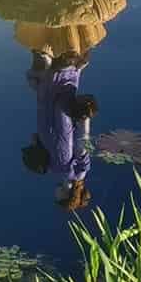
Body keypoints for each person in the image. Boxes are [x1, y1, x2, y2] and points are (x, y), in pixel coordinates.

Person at [22, 49, 97, 209]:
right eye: (58, 199)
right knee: (58, 81)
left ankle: (58, 59)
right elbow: (82, 145)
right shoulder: (78, 173)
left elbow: (40, 144)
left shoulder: (56, 170)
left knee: (40, 81)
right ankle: (72, 63)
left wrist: (36, 145)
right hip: (60, 119)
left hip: (48, 117)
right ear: (67, 196)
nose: (55, 195)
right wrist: (85, 119)